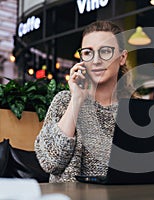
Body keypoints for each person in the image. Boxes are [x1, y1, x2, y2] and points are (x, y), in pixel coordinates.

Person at [35, 20, 136, 183]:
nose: (96, 60)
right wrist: (77, 100)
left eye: (105, 51)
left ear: (122, 57)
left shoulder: (133, 110)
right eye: (88, 53)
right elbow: (50, 162)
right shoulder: (65, 101)